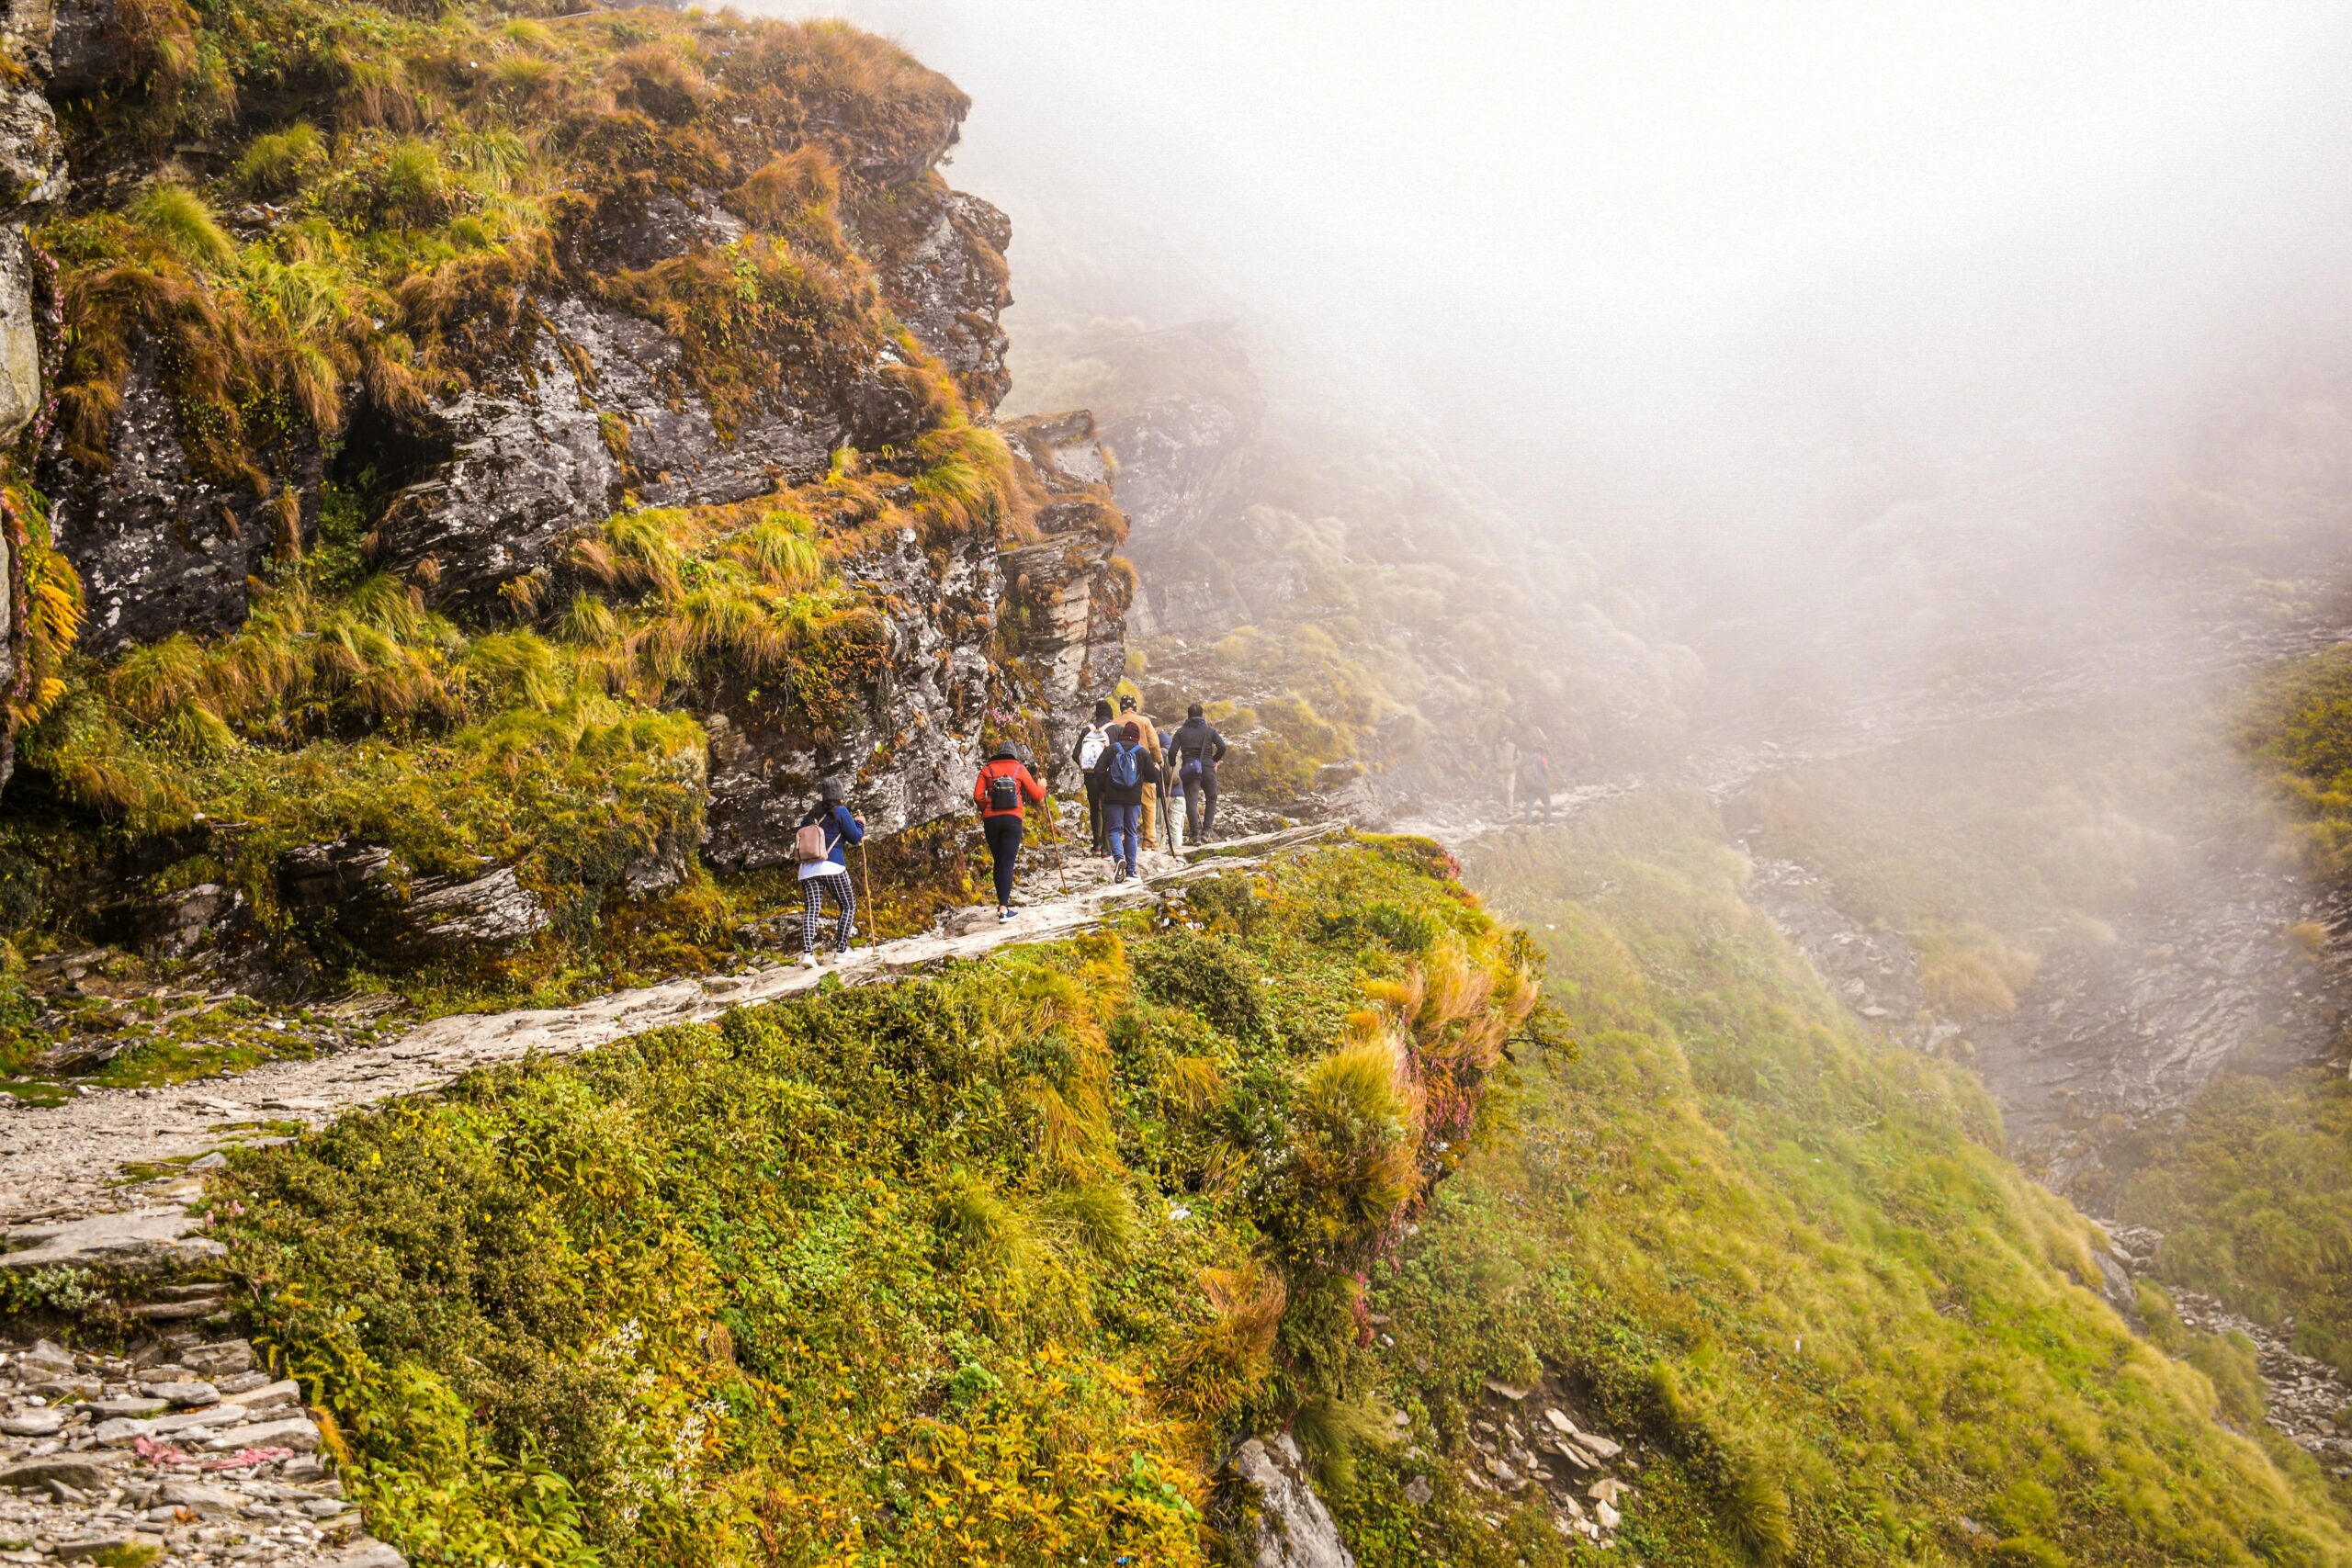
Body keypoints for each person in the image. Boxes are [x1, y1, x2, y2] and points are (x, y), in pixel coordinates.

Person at [973, 740, 1047, 921]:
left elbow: (977, 796)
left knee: (999, 862)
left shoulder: (987, 769)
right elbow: (1037, 796)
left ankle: (1001, 904)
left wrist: (987, 808)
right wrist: (1043, 785)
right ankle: (1003, 908)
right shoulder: (1019, 769)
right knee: (1007, 862)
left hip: (991, 820)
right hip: (1013, 819)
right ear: (1014, 754)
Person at [795, 779, 865, 966]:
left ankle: (808, 955)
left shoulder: (812, 814)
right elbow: (855, 838)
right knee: (848, 906)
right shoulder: (841, 811)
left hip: (808, 869)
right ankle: (841, 951)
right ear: (840, 795)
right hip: (832, 866)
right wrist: (860, 823)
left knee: (811, 910)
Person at [1097, 719, 1159, 882]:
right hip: (1133, 798)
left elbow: (1098, 769)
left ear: (1123, 734)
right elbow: (1152, 778)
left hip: (1113, 797)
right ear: (1137, 737)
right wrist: (1154, 769)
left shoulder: (1112, 749)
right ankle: (1131, 872)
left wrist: (1106, 786)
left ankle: (1119, 859)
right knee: (1131, 832)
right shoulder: (1142, 752)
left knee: (1114, 831)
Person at [1168, 703, 1228, 844]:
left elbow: (1172, 753)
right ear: (1202, 715)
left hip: (1190, 768)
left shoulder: (1181, 731)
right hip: (1207, 767)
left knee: (1191, 801)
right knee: (1211, 798)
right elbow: (1222, 747)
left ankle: (1195, 835)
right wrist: (1215, 760)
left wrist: (1172, 764)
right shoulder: (1209, 730)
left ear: (1188, 716)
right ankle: (1206, 832)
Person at [1117, 694, 1167, 849]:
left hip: (1122, 771)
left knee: (1123, 804)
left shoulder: (1114, 722)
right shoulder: (1144, 721)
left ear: (1121, 708)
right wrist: (1159, 761)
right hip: (1143, 768)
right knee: (1148, 803)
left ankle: (1123, 836)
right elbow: (1153, 744)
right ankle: (1149, 840)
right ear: (1135, 707)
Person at [1071, 698, 1116, 854]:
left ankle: (1096, 845)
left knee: (1095, 809)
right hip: (1107, 776)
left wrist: (1086, 767)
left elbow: (1075, 754)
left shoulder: (1086, 730)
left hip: (1090, 776)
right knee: (1106, 809)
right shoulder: (1115, 730)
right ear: (1110, 714)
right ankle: (1106, 848)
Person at [1517, 746, 1555, 824]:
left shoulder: (1527, 760)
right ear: (1541, 752)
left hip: (1530, 785)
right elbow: (1546, 769)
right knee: (1547, 803)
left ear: (1533, 751)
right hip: (1541, 784)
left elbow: (1520, 769)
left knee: (1529, 804)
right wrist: (1548, 778)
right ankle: (1548, 822)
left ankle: (1528, 821)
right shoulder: (1542, 759)